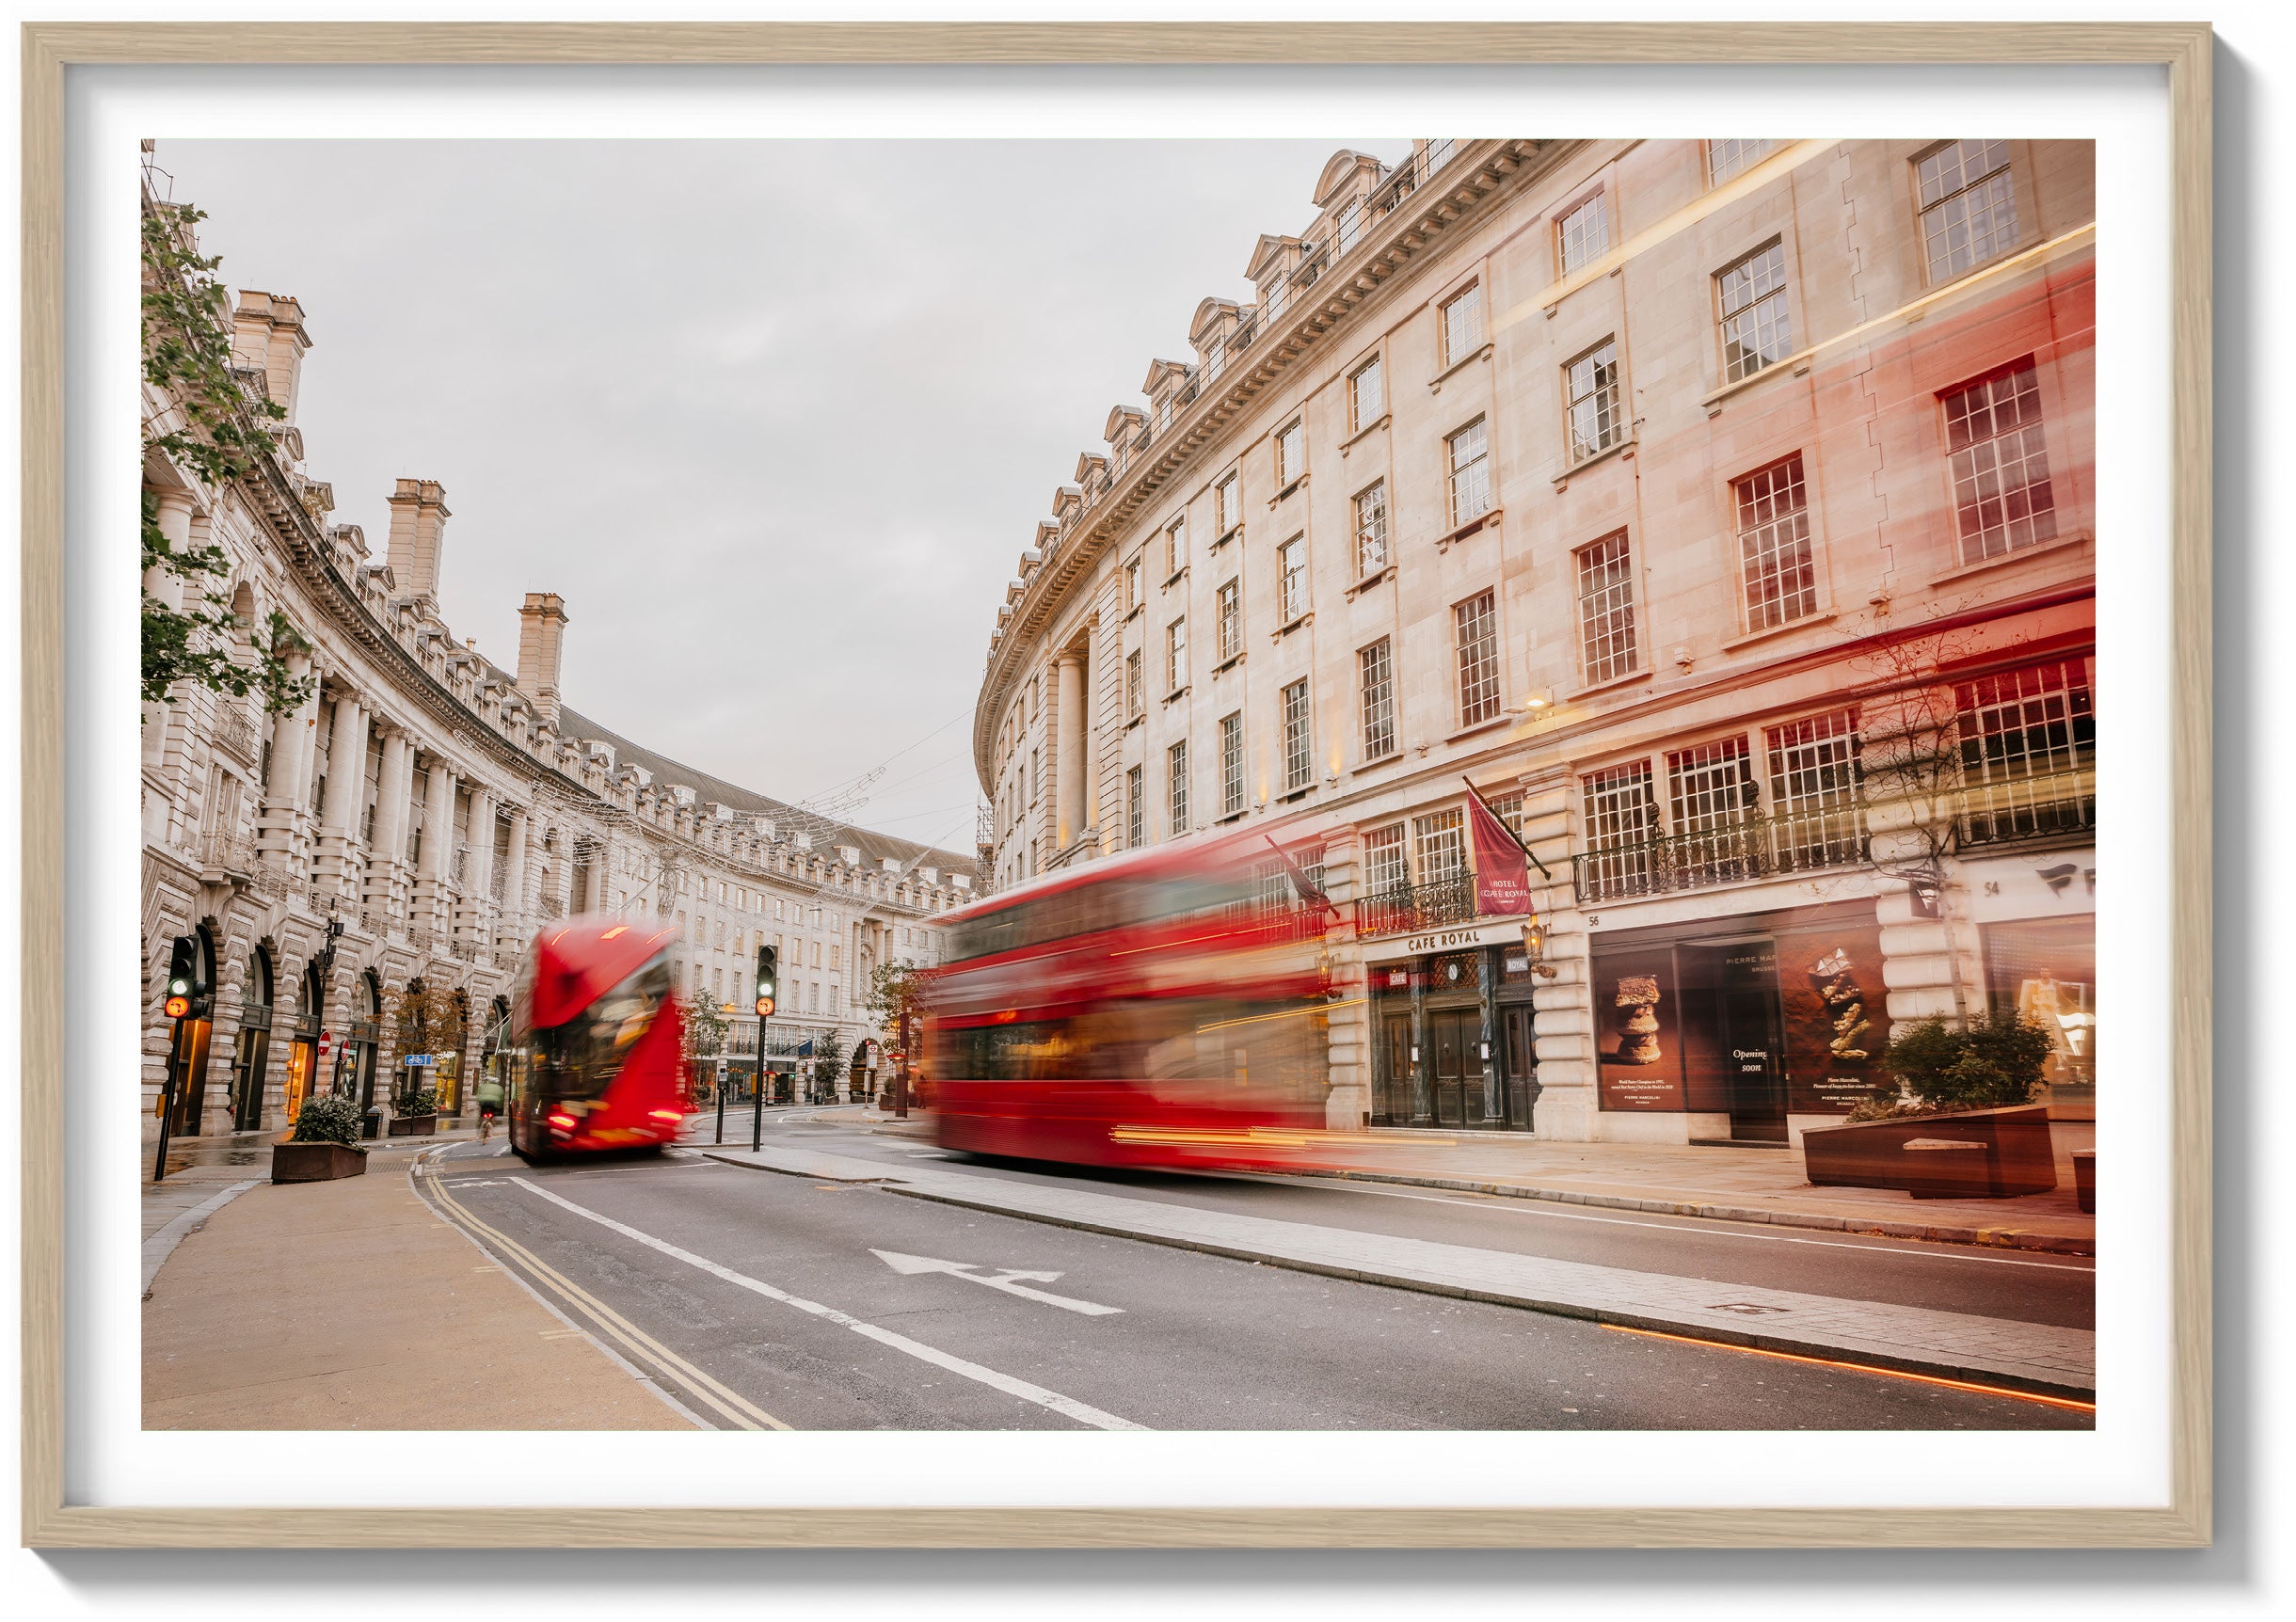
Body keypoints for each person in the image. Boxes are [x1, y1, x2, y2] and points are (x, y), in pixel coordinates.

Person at [476, 1071, 503, 1142]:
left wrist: (479, 1102)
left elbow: (478, 1094)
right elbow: (501, 1097)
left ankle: (479, 1126)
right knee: (492, 1116)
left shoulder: (483, 1086)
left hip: (484, 1102)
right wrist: (500, 1106)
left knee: (482, 1115)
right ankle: (491, 1128)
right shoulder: (499, 1088)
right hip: (493, 1103)